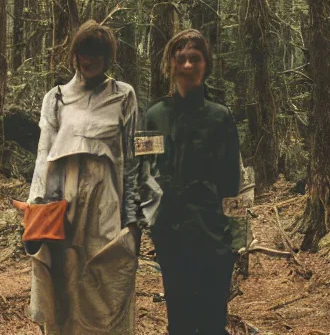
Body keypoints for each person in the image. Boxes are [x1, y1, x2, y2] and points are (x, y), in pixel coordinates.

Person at [24, 20, 141, 334]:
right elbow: (44, 157)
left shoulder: (123, 95)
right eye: (85, 53)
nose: (91, 61)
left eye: (99, 55)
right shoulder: (56, 98)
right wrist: (37, 212)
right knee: (64, 292)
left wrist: (131, 220)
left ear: (108, 58)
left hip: (107, 210)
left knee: (105, 292)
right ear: (74, 55)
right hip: (64, 208)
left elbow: (131, 162)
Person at [139, 29, 242, 335]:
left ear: (205, 65)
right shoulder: (154, 116)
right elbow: (143, 170)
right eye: (180, 58)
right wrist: (149, 221)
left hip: (213, 233)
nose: (186, 66)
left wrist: (237, 239)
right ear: (170, 64)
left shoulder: (220, 117)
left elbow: (232, 180)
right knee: (180, 318)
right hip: (171, 234)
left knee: (211, 319)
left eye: (194, 59)